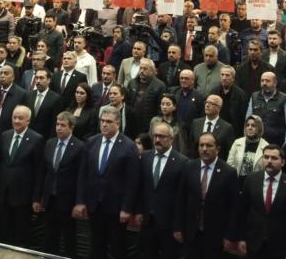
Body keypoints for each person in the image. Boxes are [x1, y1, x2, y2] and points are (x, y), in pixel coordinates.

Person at [74, 104, 140, 259]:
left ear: (118, 123)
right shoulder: (91, 142)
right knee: (96, 245)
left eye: (108, 121)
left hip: (116, 208)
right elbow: (83, 174)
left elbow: (132, 181)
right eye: (102, 121)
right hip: (94, 205)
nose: (104, 124)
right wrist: (80, 201)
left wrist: (126, 208)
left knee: (117, 247)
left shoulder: (129, 146)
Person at [232, 144, 286, 259]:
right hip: (253, 244)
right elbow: (242, 212)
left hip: (280, 247)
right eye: (266, 157)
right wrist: (241, 238)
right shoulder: (251, 180)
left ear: (282, 162)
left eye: (274, 158)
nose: (269, 161)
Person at [173, 131, 238, 258]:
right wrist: (177, 227)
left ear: (217, 149)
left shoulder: (229, 173)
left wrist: (230, 235)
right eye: (201, 145)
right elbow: (180, 199)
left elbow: (234, 208)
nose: (204, 149)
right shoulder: (189, 167)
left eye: (209, 145)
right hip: (191, 232)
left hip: (215, 235)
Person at [0, 105, 44, 245]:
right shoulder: (5, 135)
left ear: (28, 121)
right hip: (3, 193)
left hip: (23, 196)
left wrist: (36, 197)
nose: (16, 121)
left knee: (20, 233)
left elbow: (39, 171)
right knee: (2, 230)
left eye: (20, 118)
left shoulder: (36, 139)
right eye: (14, 117)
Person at [135, 120, 188, 259]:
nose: (157, 139)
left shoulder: (182, 162)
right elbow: (140, 187)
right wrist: (139, 211)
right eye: (155, 136)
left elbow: (182, 197)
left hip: (168, 223)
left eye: (162, 136)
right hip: (147, 221)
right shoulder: (145, 157)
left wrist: (178, 225)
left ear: (171, 139)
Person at [39, 111, 85, 258]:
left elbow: (81, 177)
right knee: (49, 235)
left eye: (63, 125)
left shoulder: (79, 147)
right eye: (57, 124)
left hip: (68, 201)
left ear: (71, 127)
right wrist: (38, 197)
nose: (59, 128)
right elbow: (43, 172)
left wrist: (79, 202)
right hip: (50, 199)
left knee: (69, 237)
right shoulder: (50, 143)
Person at [246, 71, 286, 145]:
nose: (264, 83)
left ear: (275, 83)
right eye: (262, 81)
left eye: (267, 81)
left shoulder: (285, 100)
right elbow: (248, 119)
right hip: (256, 141)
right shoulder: (254, 97)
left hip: (276, 143)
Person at [227, 115, 270, 190]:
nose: (250, 128)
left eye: (253, 126)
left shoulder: (265, 146)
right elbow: (230, 165)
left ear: (259, 128)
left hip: (256, 186)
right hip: (237, 184)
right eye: (247, 125)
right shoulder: (237, 142)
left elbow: (266, 171)